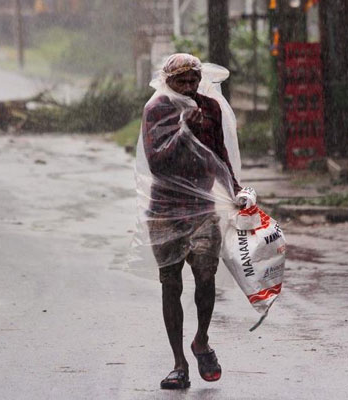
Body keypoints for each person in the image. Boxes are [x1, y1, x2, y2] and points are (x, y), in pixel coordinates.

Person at [138, 54, 246, 390]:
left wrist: (236, 190)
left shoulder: (210, 108)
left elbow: (219, 155)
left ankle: (201, 339)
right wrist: (185, 128)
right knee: (170, 283)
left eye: (193, 81)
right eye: (181, 82)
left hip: (201, 208)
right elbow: (157, 162)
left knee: (205, 275)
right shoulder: (157, 110)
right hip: (165, 211)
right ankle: (179, 363)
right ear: (167, 81)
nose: (188, 87)